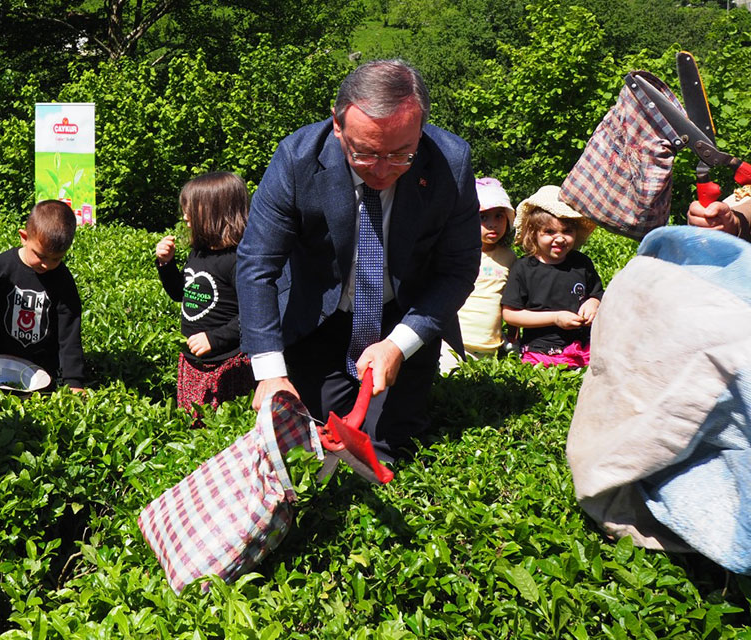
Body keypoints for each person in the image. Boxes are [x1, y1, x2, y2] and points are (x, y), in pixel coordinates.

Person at [236, 59, 479, 462]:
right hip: (318, 318)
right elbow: (256, 262)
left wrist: (399, 345)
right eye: (364, 153)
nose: (382, 170)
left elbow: (459, 267)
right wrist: (270, 371)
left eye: (401, 154)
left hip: (404, 316)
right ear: (337, 124)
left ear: (421, 129)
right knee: (313, 446)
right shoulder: (298, 158)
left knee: (388, 449)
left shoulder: (450, 162)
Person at [154, 171, 255, 420]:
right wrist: (166, 265)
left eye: (191, 210)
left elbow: (253, 314)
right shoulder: (198, 253)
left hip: (227, 363)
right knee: (193, 426)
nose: (185, 216)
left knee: (222, 428)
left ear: (214, 213)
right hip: (193, 362)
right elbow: (181, 293)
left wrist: (215, 338)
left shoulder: (237, 260)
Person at [0, 200, 85, 392]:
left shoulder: (62, 280)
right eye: (40, 255)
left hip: (43, 373)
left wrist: (74, 381)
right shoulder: (2, 267)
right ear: (24, 237)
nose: (46, 264)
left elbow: (69, 333)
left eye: (56, 258)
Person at [501, 185, 603, 368]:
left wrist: (593, 303)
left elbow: (597, 294)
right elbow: (510, 314)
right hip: (539, 352)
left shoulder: (581, 263)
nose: (560, 238)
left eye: (567, 231)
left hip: (584, 350)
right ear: (533, 234)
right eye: (549, 232)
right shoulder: (524, 268)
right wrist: (555, 318)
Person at [439, 177, 517, 374]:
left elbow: (513, 301)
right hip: (453, 343)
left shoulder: (509, 257)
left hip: (490, 346)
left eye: (499, 216)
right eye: (483, 217)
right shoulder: (457, 253)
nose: (493, 224)